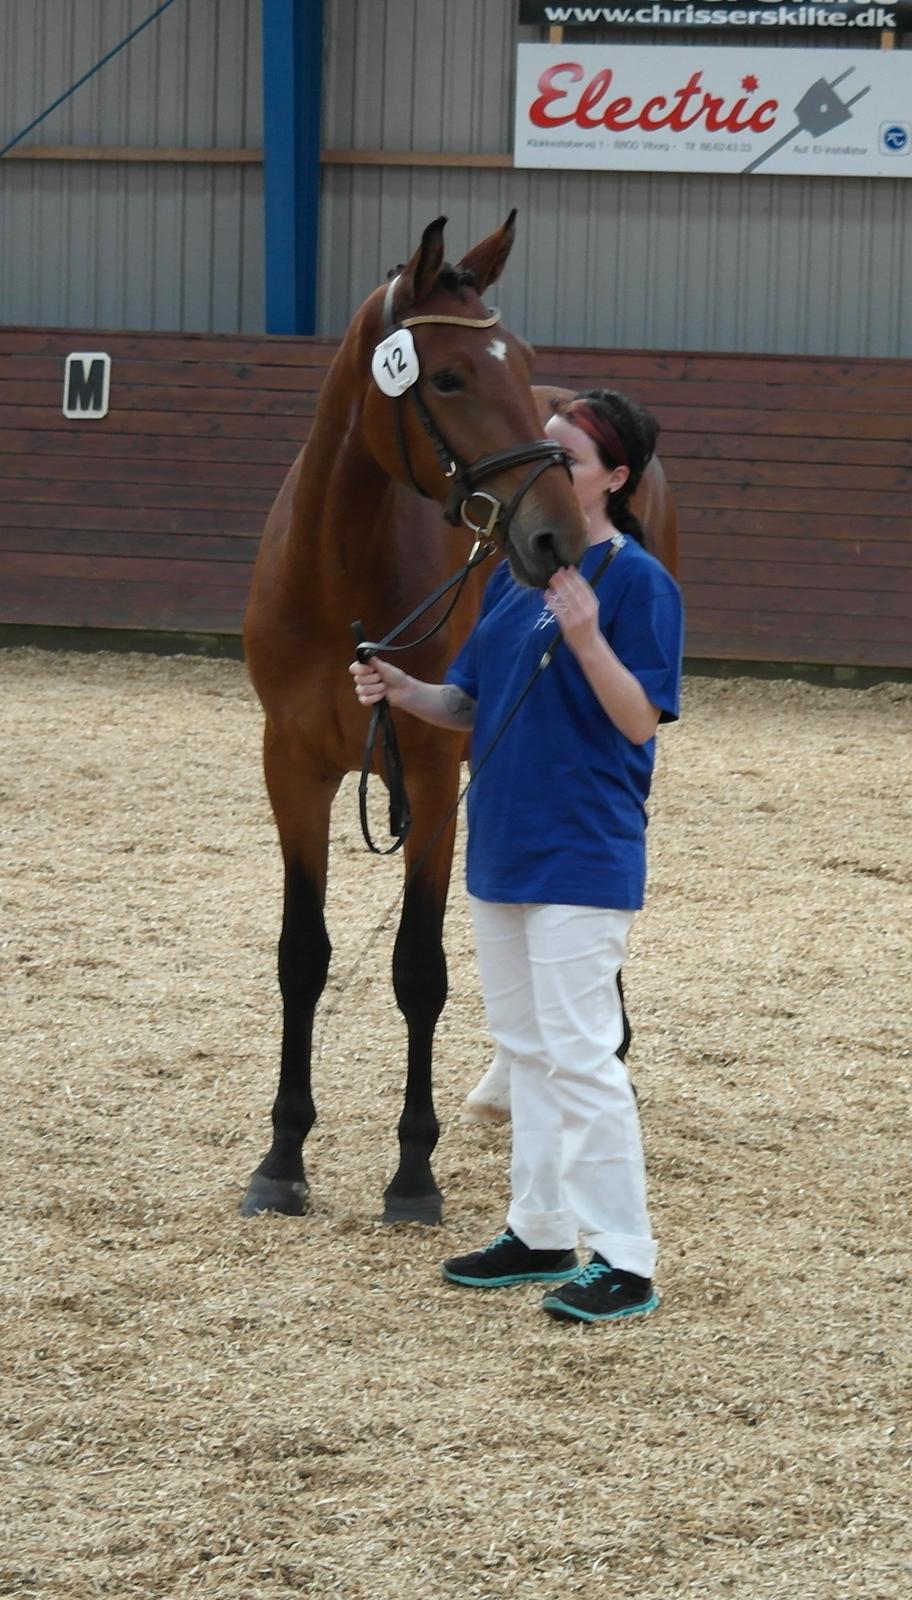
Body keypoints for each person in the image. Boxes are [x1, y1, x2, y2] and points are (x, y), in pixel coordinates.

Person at [350, 389, 683, 1324]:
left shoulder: (640, 585)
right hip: (501, 845)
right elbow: (467, 705)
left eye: (568, 458)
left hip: (583, 850)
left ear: (614, 479)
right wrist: (401, 688)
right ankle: (539, 1230)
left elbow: (639, 719)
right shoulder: (512, 578)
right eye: (545, 451)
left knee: (582, 1057)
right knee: (526, 1050)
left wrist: (585, 635)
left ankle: (626, 1258)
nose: (548, 468)